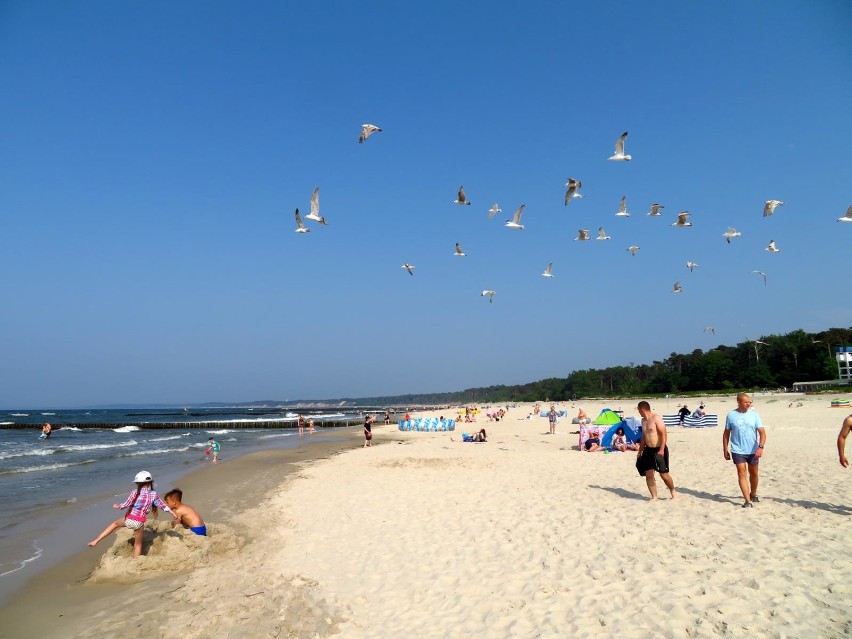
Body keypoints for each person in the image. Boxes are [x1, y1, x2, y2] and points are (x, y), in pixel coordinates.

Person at [87, 470, 174, 557]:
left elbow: (126, 504)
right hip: (139, 523)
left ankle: (95, 541)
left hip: (129, 519)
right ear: (150, 482)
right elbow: (162, 505)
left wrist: (118, 506)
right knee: (138, 545)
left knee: (114, 524)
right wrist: (172, 513)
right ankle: (135, 561)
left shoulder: (135, 492)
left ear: (138, 483)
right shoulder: (153, 494)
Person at [723, 392, 766, 508]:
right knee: (741, 473)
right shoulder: (731, 415)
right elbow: (726, 433)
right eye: (746, 402)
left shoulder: (754, 415)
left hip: (753, 450)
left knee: (754, 473)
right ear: (739, 402)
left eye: (749, 402)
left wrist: (760, 447)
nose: (749, 404)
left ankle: (753, 494)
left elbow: (762, 433)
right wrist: (725, 449)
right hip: (737, 450)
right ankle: (747, 501)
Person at [636, 401, 677, 500]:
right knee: (649, 475)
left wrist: (662, 449)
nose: (638, 412)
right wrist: (640, 451)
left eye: (638, 410)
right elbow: (643, 438)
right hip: (648, 450)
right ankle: (654, 497)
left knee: (664, 475)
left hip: (659, 449)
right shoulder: (643, 421)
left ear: (642, 409)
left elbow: (664, 434)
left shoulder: (656, 418)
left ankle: (673, 491)